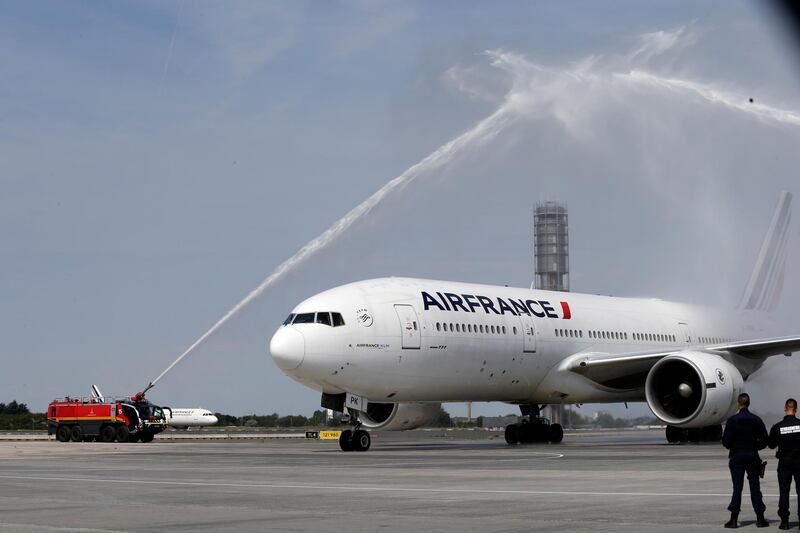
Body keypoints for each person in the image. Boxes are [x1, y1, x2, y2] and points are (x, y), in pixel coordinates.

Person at [722, 392, 770, 528]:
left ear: (738, 404)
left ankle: (733, 519)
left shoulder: (732, 420)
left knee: (737, 488)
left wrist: (734, 447)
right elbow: (765, 440)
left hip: (737, 456)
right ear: (748, 404)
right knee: (755, 487)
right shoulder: (756, 420)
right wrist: (755, 447)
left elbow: (726, 442)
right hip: (752, 456)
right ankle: (760, 519)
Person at [769, 398, 800, 530]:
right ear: (796, 410)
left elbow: (771, 445)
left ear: (785, 409)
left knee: (784, 491)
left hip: (784, 462)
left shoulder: (777, 427)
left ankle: (784, 521)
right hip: (799, 461)